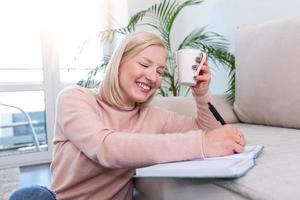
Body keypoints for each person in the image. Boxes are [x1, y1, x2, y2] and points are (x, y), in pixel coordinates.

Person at [48, 31, 245, 200]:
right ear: (118, 63)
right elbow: (106, 148)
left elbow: (210, 133)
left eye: (160, 71)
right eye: (144, 64)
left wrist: (202, 95)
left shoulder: (154, 117)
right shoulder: (74, 98)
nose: (153, 77)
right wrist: (202, 144)